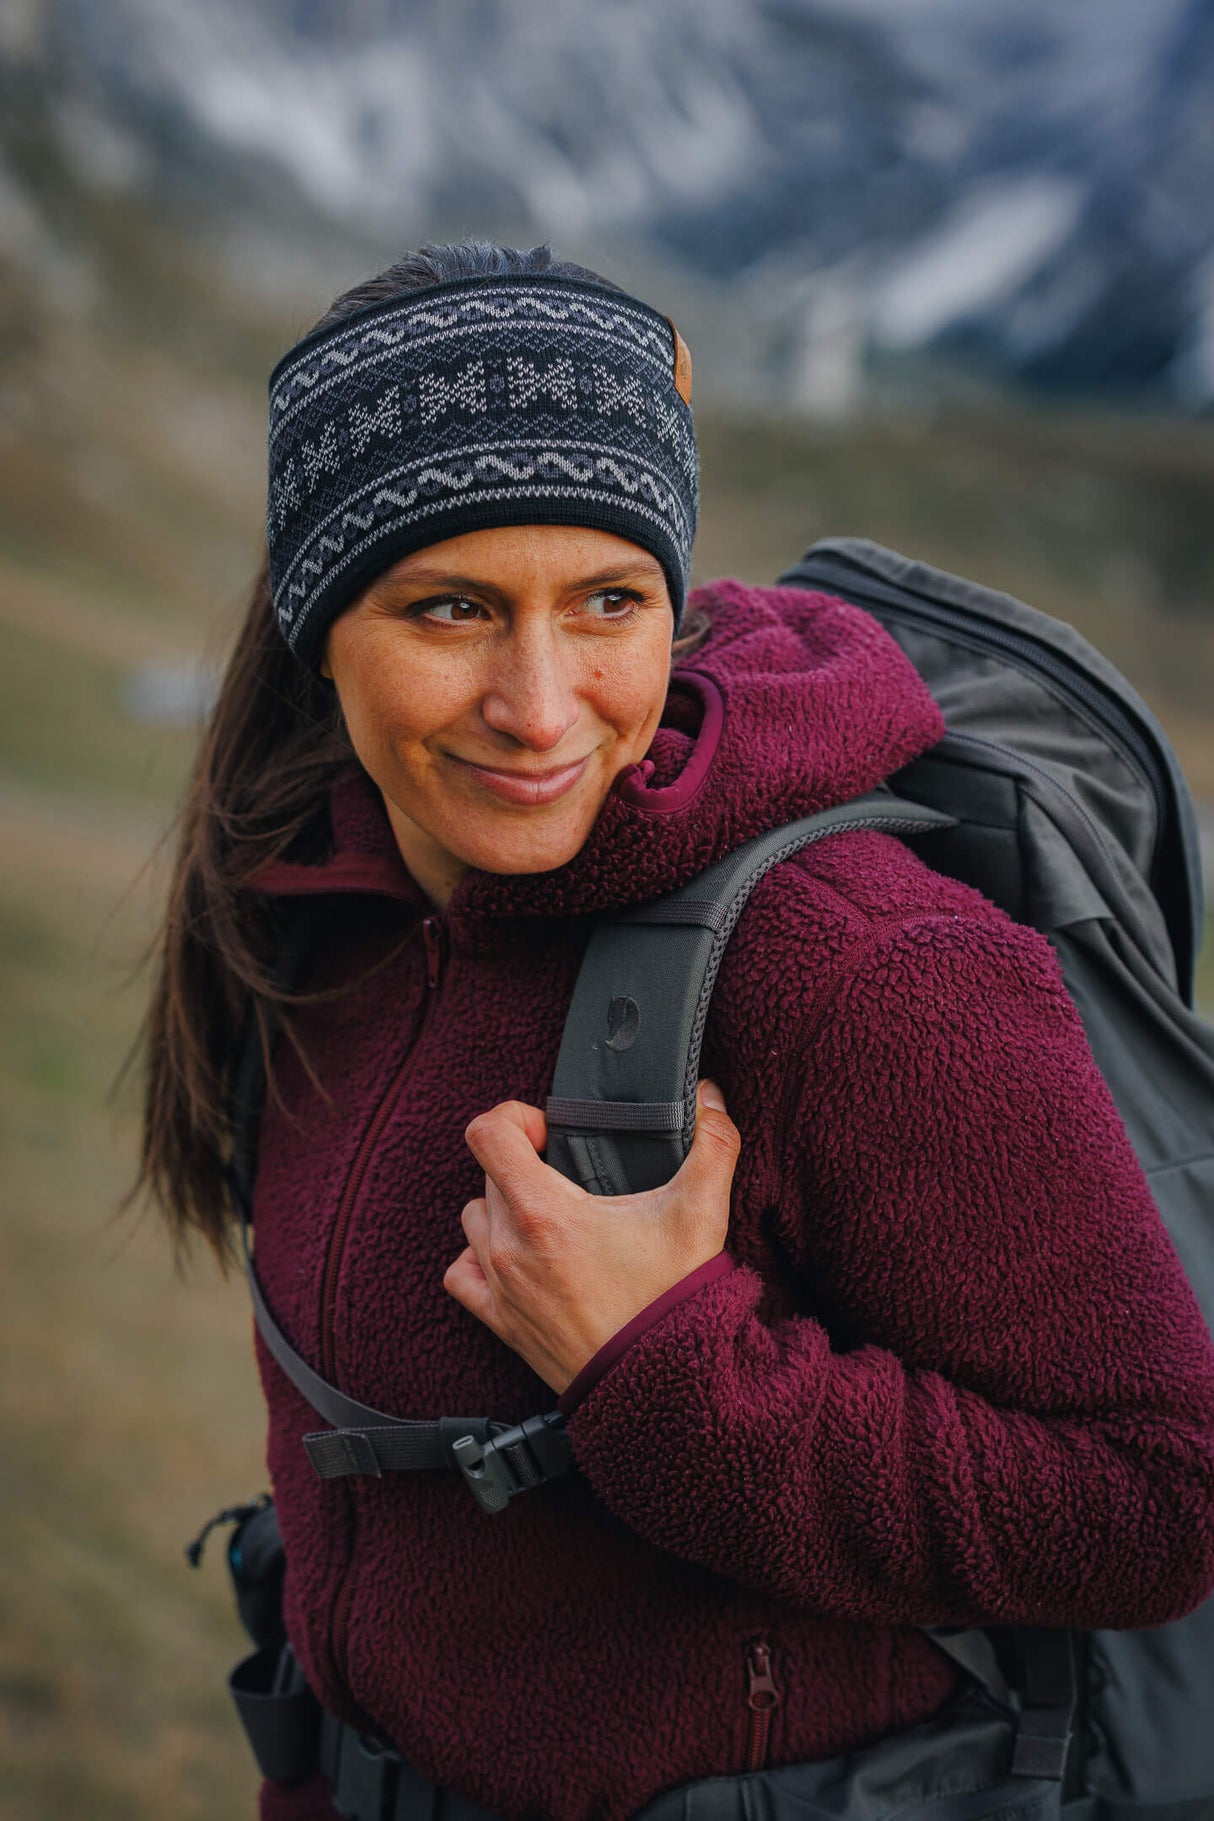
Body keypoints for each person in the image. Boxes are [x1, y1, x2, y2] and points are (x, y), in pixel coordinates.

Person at [136, 240, 1214, 1821]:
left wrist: (665, 1368)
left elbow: (1156, 1500)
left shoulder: (854, 960)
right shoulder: (316, 901)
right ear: (319, 622)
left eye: (608, 602)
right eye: (450, 608)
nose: (542, 702)